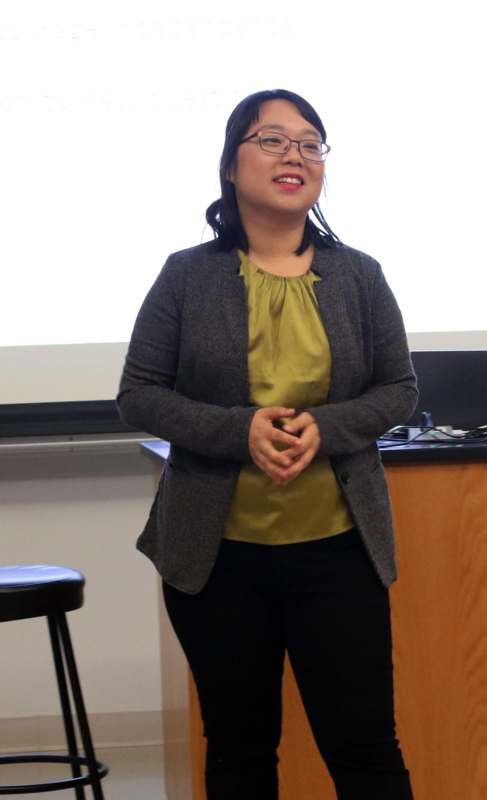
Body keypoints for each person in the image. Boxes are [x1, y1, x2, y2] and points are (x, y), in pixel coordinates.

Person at [116, 87, 418, 800]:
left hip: (340, 553)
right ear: (231, 164)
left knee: (367, 747)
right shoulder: (186, 276)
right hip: (217, 560)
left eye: (311, 143)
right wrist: (238, 429)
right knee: (240, 751)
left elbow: (400, 390)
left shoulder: (359, 275)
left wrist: (329, 424)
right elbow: (139, 394)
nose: (296, 155)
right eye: (273, 139)